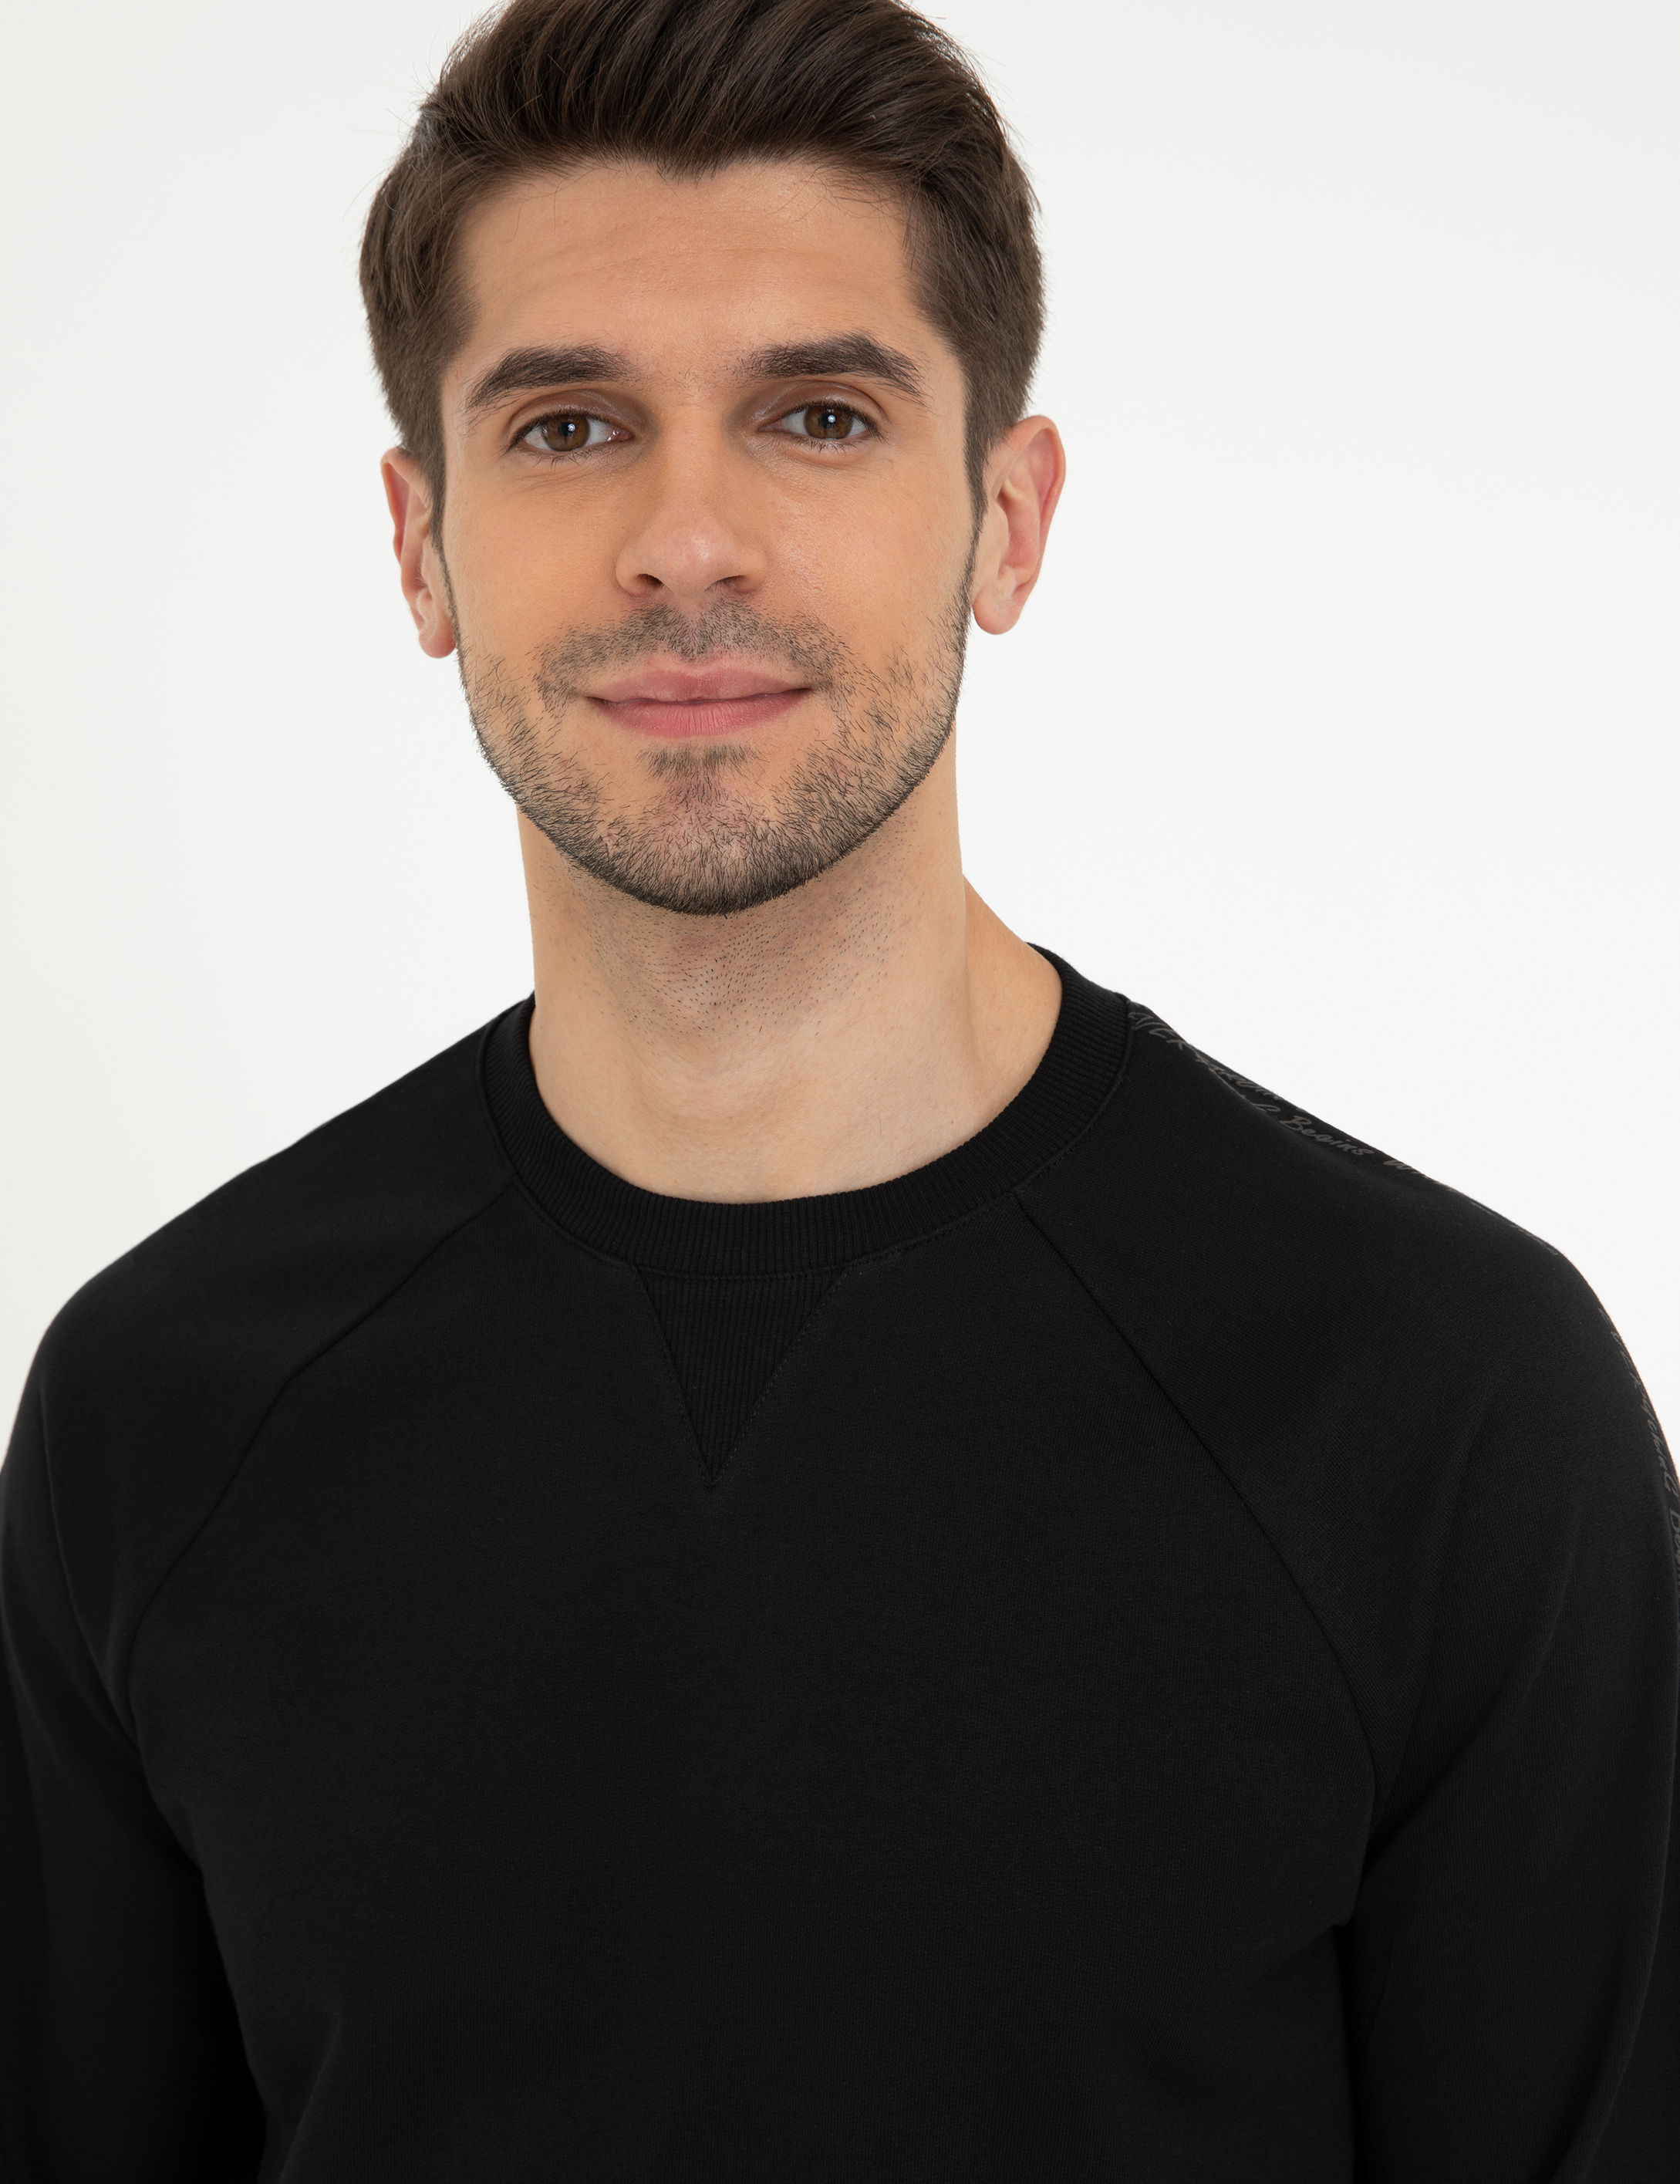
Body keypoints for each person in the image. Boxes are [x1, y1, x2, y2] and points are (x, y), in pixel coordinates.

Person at [2, 0, 1674, 2173]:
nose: (689, 541)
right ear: (419, 546)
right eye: (570, 427)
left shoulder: (1443, 1405)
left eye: (816, 415)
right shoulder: (161, 1412)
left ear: (1007, 519)